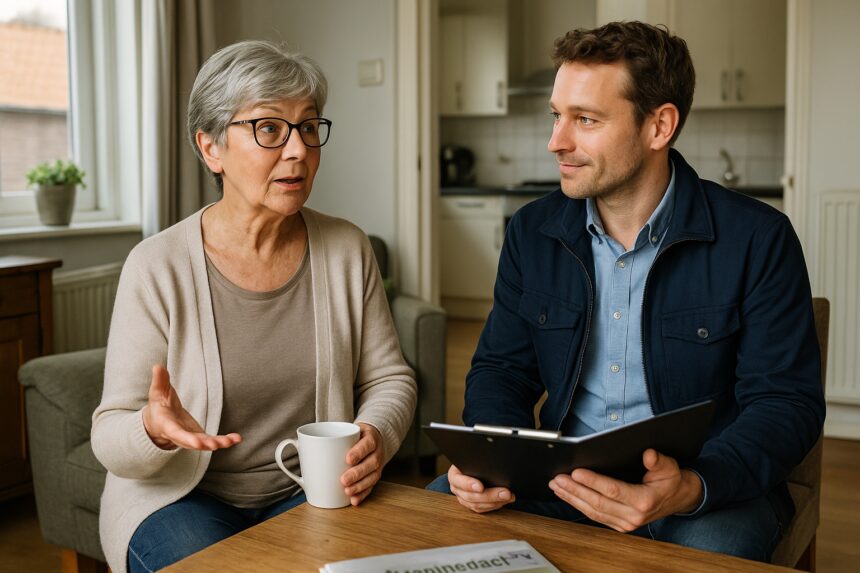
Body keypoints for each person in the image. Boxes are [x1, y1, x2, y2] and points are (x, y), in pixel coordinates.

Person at [428, 21, 825, 562]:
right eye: (556, 115)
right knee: (431, 523)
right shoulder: (531, 233)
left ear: (659, 126)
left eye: (585, 120)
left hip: (704, 491)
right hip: (565, 482)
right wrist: (494, 463)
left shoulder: (759, 238)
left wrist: (692, 485)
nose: (555, 142)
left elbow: (784, 403)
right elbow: (503, 371)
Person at [91, 40, 417, 573]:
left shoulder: (346, 248)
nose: (298, 151)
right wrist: (151, 428)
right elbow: (110, 435)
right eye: (269, 129)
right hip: (179, 500)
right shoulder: (156, 265)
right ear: (211, 148)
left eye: (309, 127)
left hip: (313, 492)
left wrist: (374, 434)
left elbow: (389, 379)